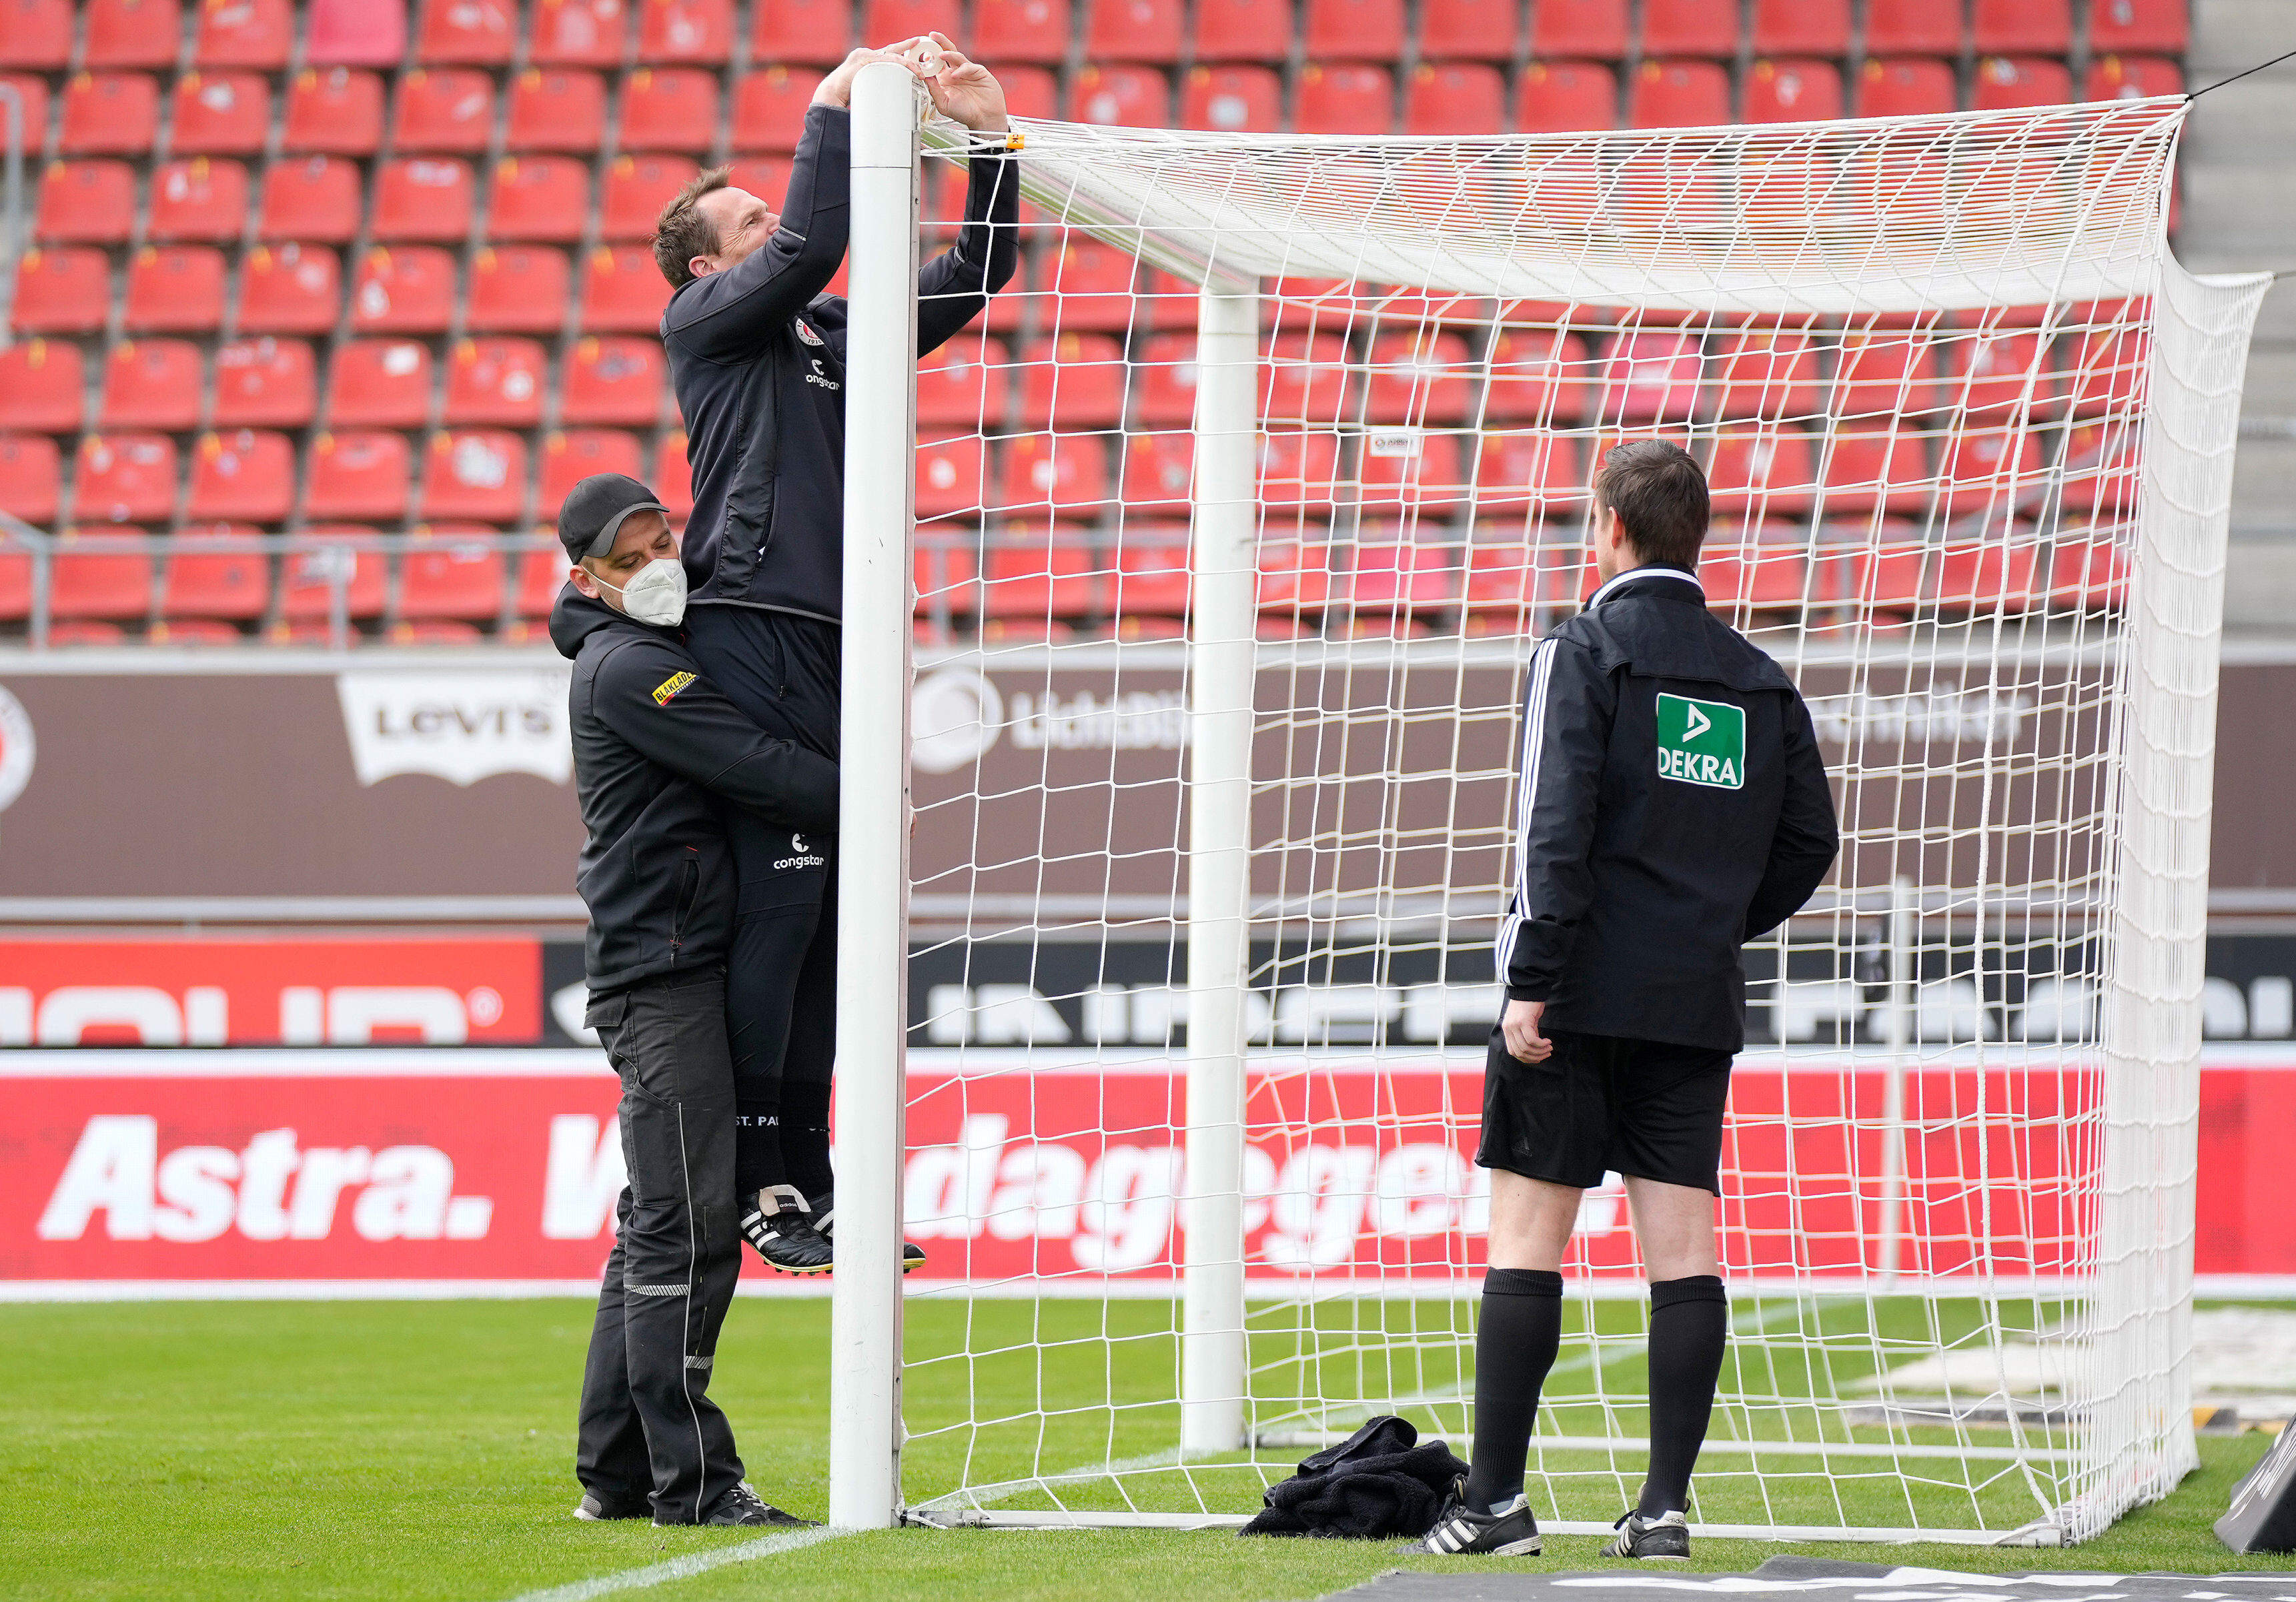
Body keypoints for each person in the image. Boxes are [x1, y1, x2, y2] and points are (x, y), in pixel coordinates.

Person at [1419, 440, 1839, 1562]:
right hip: (1691, 996)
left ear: (1607, 523)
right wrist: (1704, 928)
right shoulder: (1758, 675)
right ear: (1694, 535)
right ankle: (1661, 1510)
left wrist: (1531, 979)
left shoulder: (1583, 649)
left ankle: (1496, 1502)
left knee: (1525, 1240)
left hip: (1571, 998)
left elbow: (1548, 831)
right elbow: (1811, 842)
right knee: (1682, 1251)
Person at [647, 35, 1019, 1271]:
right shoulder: (705, 323)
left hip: (847, 642)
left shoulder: (832, 334)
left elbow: (973, 275)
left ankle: (805, 1176)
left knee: (828, 927)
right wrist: (830, 105)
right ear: (708, 266)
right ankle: (764, 1179)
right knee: (782, 907)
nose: (777, 224)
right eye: (749, 219)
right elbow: (810, 240)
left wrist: (985, 136)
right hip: (752, 627)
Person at [551, 472, 842, 1526]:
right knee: (688, 1225)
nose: (658, 565)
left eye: (661, 538)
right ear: (586, 577)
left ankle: (616, 1474)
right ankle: (697, 1483)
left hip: (675, 967)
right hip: (660, 975)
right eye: (629, 559)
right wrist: (864, 785)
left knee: (653, 1225)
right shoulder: (629, 666)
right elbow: (756, 764)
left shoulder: (643, 648)